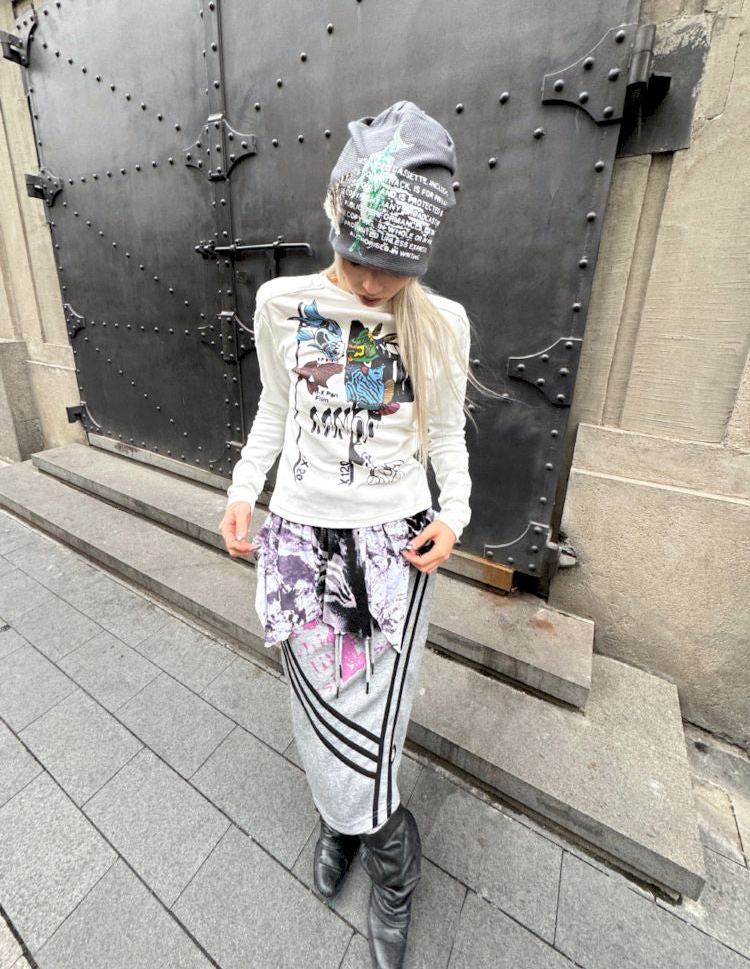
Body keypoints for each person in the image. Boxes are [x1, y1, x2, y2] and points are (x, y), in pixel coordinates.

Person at [220, 100, 475, 969]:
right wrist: (244, 489)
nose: (370, 286)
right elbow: (277, 411)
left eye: (393, 271)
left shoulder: (438, 324)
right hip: (299, 543)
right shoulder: (283, 305)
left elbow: (446, 438)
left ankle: (392, 869)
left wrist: (454, 515)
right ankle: (345, 821)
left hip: (389, 550)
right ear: (335, 223)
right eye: (359, 260)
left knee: (374, 715)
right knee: (316, 704)